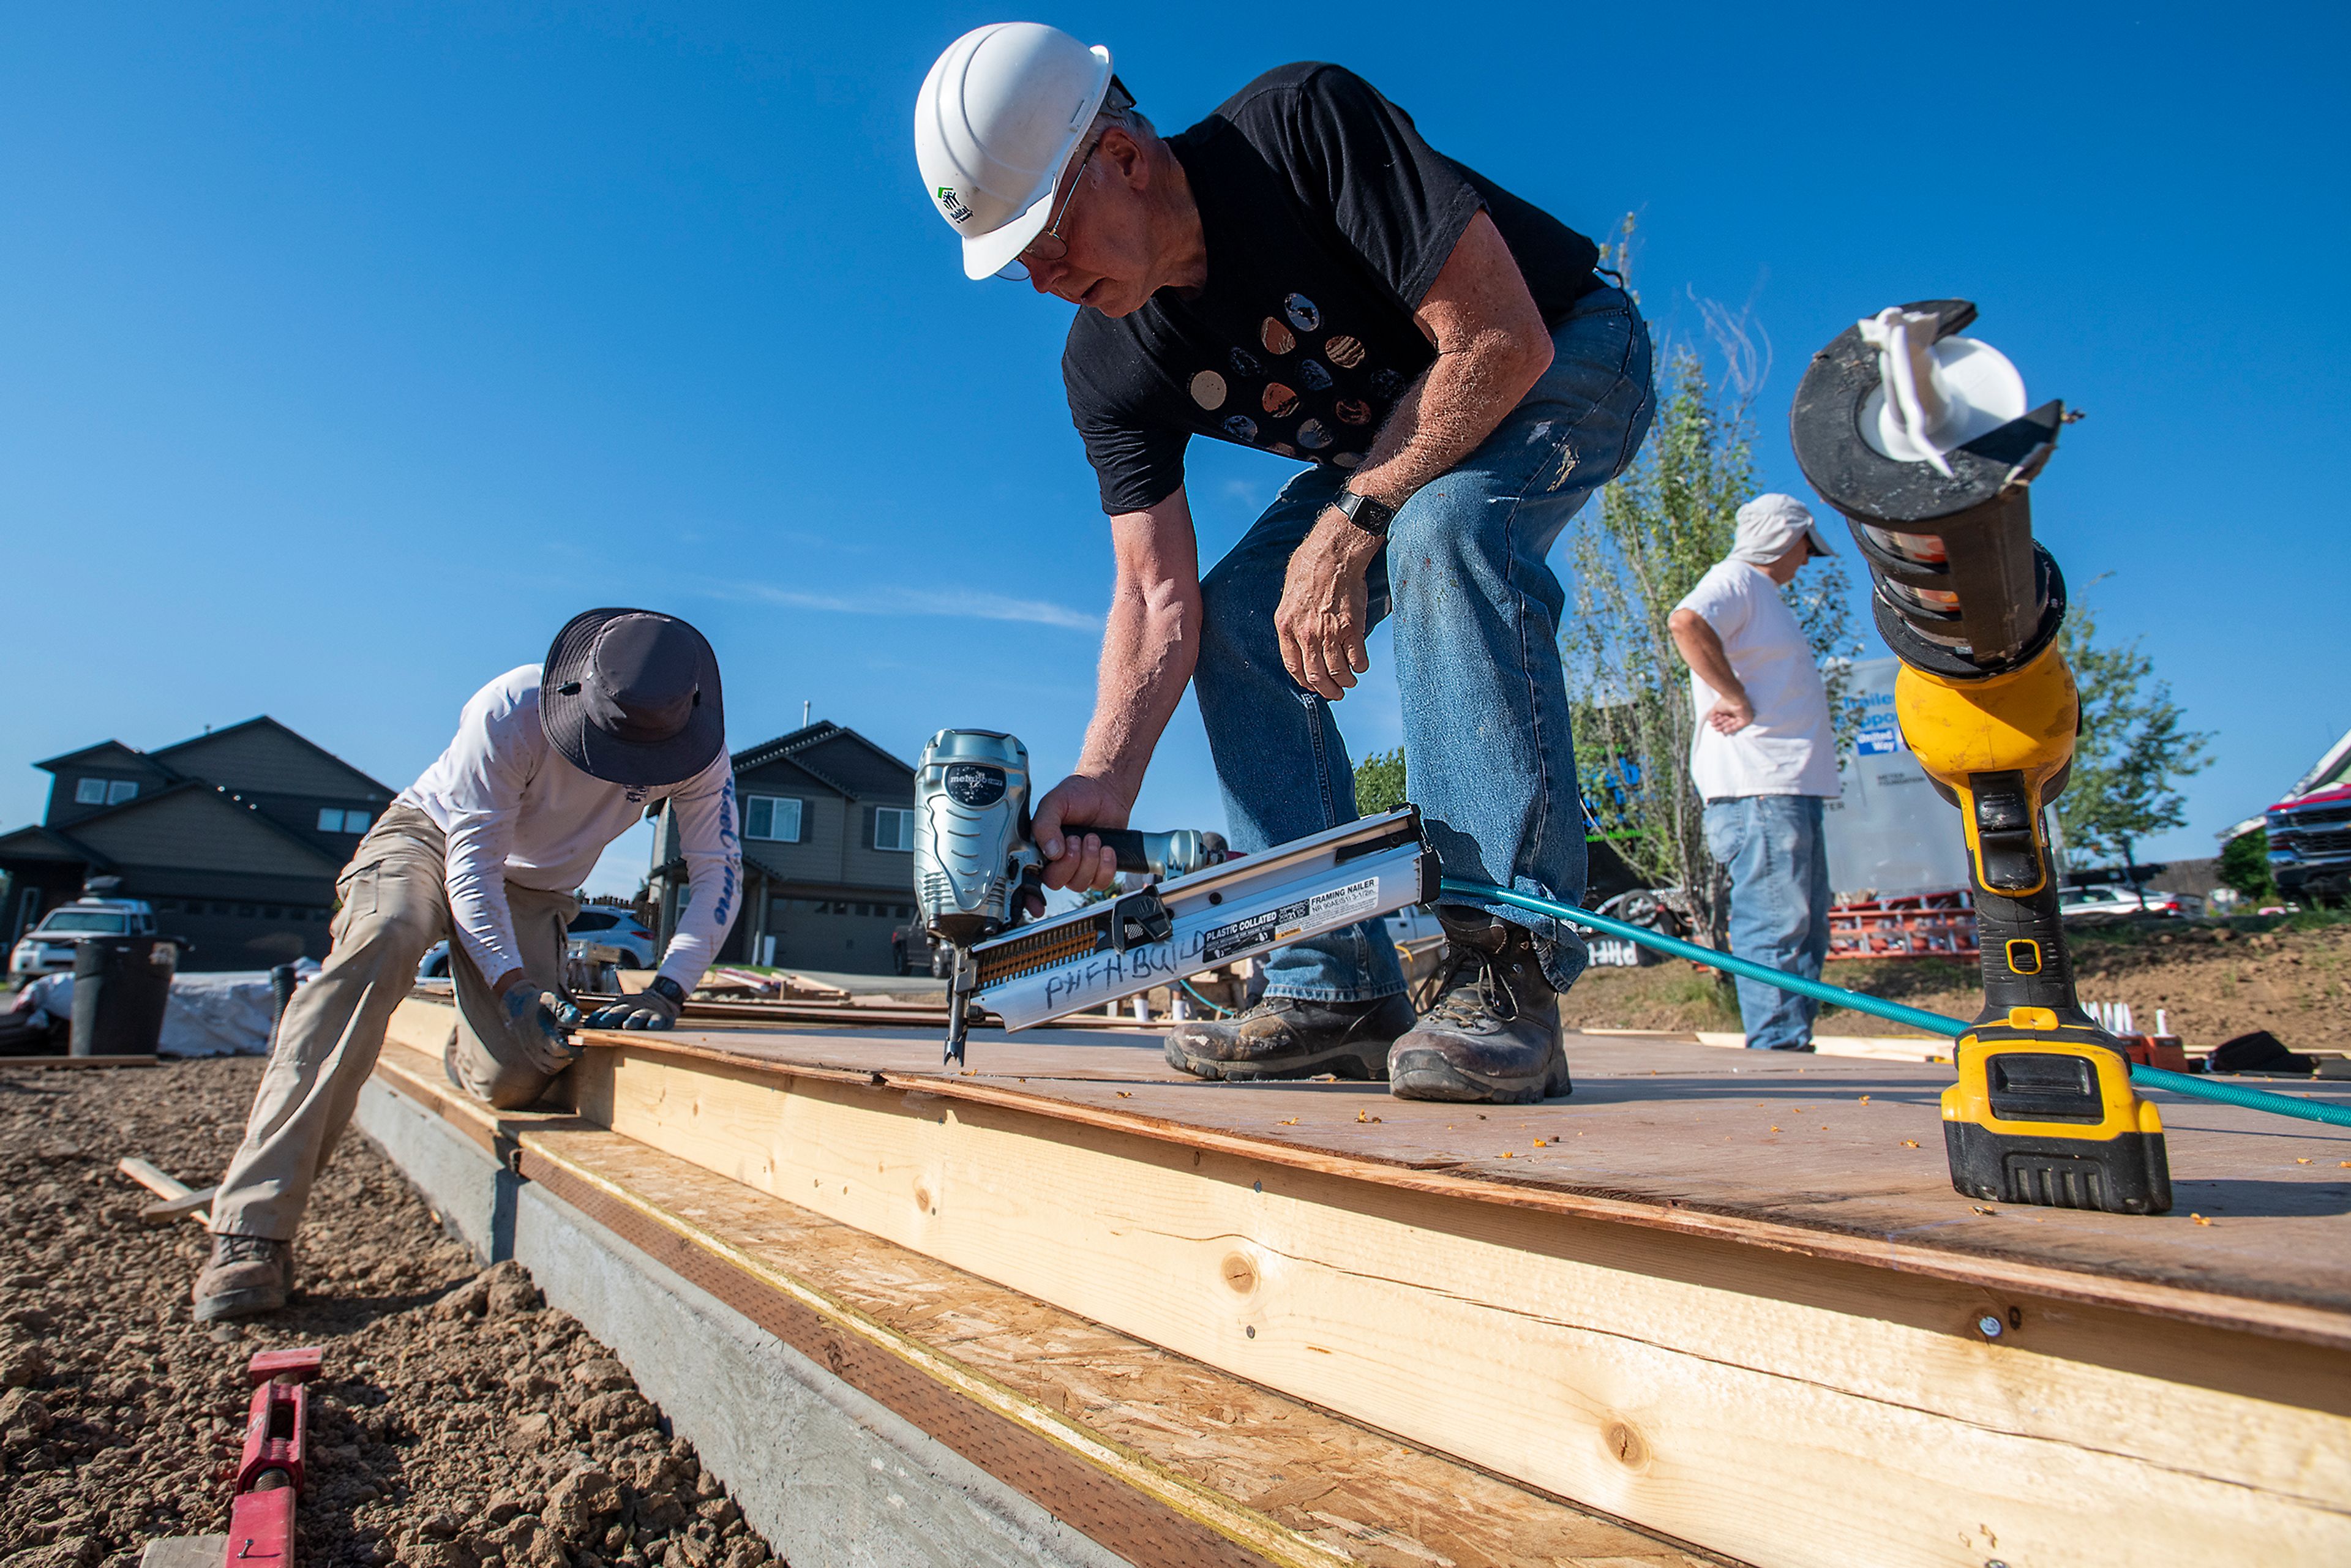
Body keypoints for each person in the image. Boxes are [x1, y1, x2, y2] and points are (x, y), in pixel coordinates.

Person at [914, 26, 1654, 1104]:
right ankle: (1333, 983)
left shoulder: (1299, 129)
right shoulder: (1108, 362)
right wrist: (1104, 780)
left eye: (1041, 231)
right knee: (1238, 617)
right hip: (1404, 437)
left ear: (1121, 157)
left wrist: (1353, 521)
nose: (1036, 275)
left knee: (1447, 527)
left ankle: (1506, 960)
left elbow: (1498, 342)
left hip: (1566, 348)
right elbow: (1155, 597)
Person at [192, 609, 741, 1321]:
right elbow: (473, 862)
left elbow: (718, 868)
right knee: (386, 937)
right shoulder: (512, 705)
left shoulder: (701, 749)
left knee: (516, 1074)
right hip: (431, 837)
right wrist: (510, 983)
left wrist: (670, 987)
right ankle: (251, 1229)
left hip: (537, 886)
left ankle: (469, 1049)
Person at [1667, 495, 1842, 1051]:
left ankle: (1790, 1042)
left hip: (1785, 786)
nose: (1807, 561)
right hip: (1760, 787)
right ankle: (1780, 1050)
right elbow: (1686, 622)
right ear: (1786, 538)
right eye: (1807, 548)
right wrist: (1733, 694)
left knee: (1805, 926)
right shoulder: (1737, 580)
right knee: (1775, 924)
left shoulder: (1761, 594)